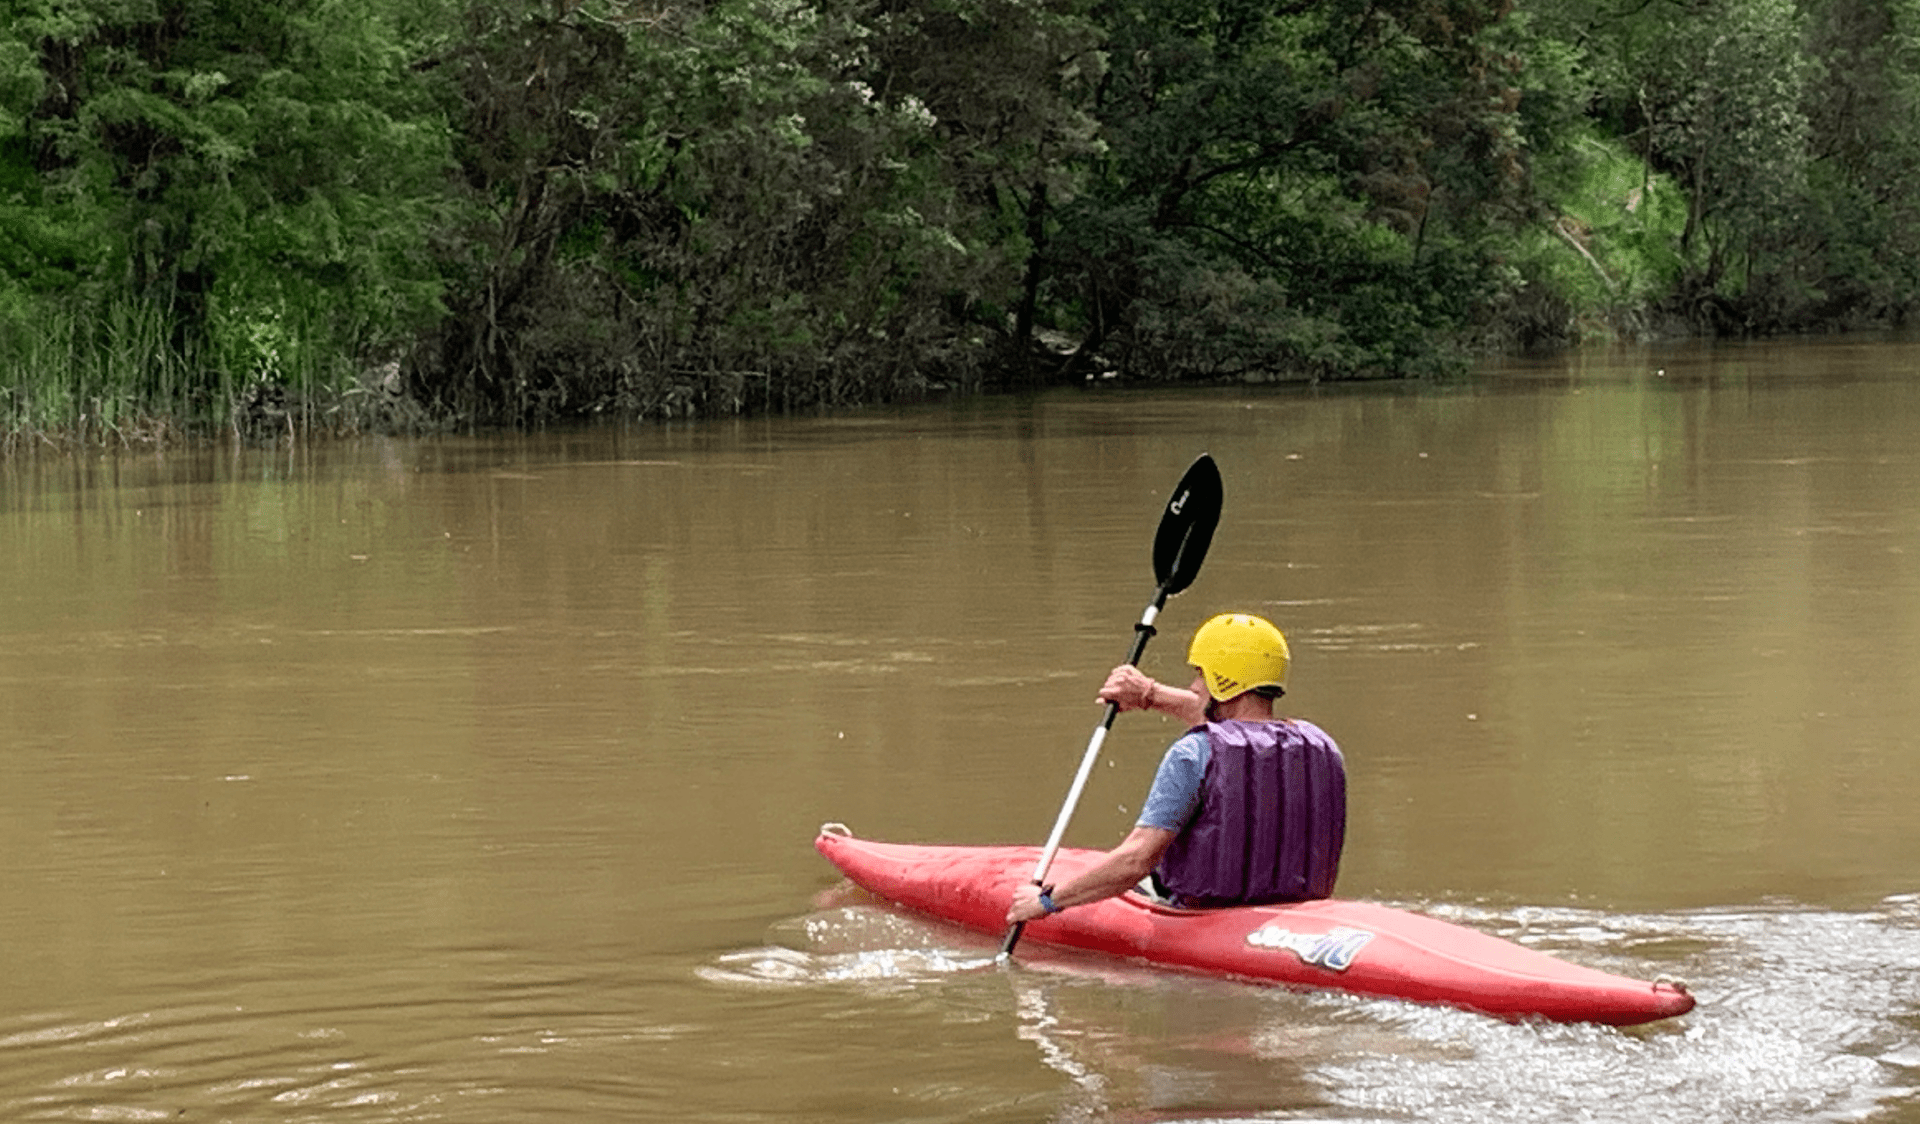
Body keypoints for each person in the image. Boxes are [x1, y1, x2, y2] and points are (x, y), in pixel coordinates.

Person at [1005, 613, 1346, 923]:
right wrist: (1148, 694)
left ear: (1222, 679)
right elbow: (1238, 730)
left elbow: (1135, 861)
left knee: (1129, 875)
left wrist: (1047, 901)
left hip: (1202, 918)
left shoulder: (1193, 753)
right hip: (1300, 917)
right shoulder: (1321, 745)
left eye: (1201, 674)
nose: (1194, 686)